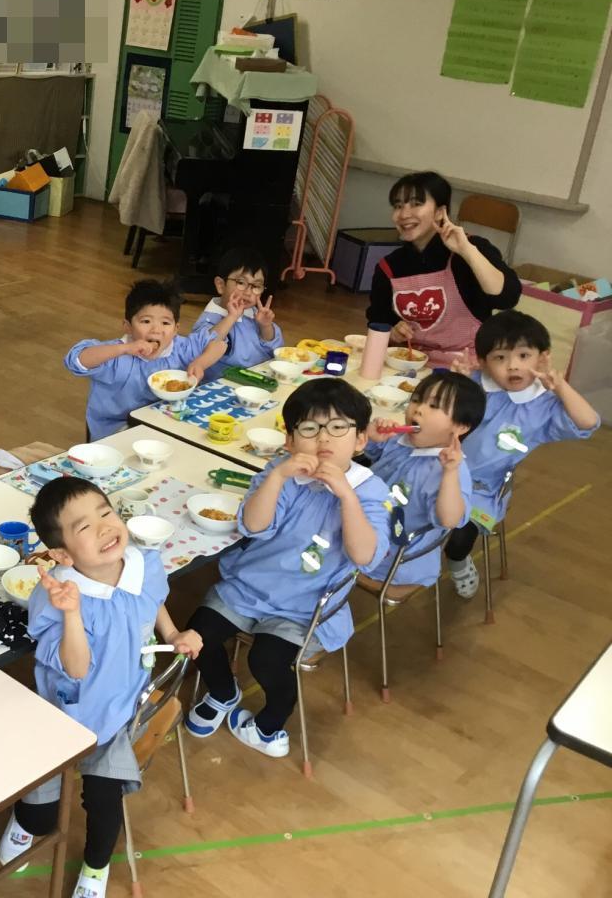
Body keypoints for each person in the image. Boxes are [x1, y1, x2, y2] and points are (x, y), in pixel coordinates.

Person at [0, 477, 201, 898]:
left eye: (106, 512)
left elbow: (151, 599)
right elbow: (76, 667)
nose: (106, 527)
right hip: (63, 716)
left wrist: (173, 632)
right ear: (62, 554)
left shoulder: (143, 564)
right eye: (84, 526)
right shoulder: (57, 596)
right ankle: (25, 821)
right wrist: (72, 613)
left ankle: (95, 867)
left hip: (121, 712)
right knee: (39, 818)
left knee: (105, 806)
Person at [184, 379, 392, 757]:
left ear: (360, 439)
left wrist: (346, 495)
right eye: (309, 428)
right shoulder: (281, 472)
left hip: (305, 603)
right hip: (250, 585)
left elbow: (364, 556)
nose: (323, 438)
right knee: (199, 634)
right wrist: (279, 476)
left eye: (338, 427)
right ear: (291, 441)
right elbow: (255, 525)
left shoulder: (369, 490)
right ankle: (223, 691)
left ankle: (269, 726)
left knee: (267, 660)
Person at [443, 311, 601, 598]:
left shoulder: (544, 406)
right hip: (438, 469)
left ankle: (458, 561)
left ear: (542, 358)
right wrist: (456, 383)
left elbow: (588, 422)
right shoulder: (475, 384)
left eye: (524, 356)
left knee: (460, 537)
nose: (513, 366)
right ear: (483, 362)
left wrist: (561, 386)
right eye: (500, 358)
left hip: (482, 489)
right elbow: (439, 417)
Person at [366, 171, 520, 368]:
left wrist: (466, 251)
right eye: (398, 206)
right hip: (410, 364)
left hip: (468, 367)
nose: (404, 214)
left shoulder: (471, 248)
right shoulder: (389, 266)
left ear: (440, 212)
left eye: (416, 204)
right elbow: (378, 320)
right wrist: (393, 331)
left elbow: (507, 297)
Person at [363, 372, 484, 588]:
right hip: (365, 524)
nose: (418, 409)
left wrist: (449, 473)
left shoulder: (451, 470)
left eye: (434, 406)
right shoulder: (401, 441)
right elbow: (373, 454)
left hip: (390, 559)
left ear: (460, 427)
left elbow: (449, 520)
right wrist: (371, 436)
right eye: (417, 400)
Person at [65, 278, 221, 440]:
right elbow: (77, 360)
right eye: (146, 321)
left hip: (165, 422)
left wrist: (200, 363)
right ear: (128, 326)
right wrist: (125, 349)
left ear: (176, 329)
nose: (156, 330)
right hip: (116, 429)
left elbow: (218, 344)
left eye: (165, 323)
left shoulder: (180, 348)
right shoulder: (117, 357)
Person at [190, 246, 281, 382]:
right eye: (241, 283)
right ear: (221, 285)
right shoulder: (209, 319)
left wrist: (265, 326)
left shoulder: (255, 314)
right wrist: (231, 317)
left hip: (261, 380)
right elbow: (201, 347)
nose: (248, 292)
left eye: (256, 286)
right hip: (226, 385)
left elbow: (276, 349)